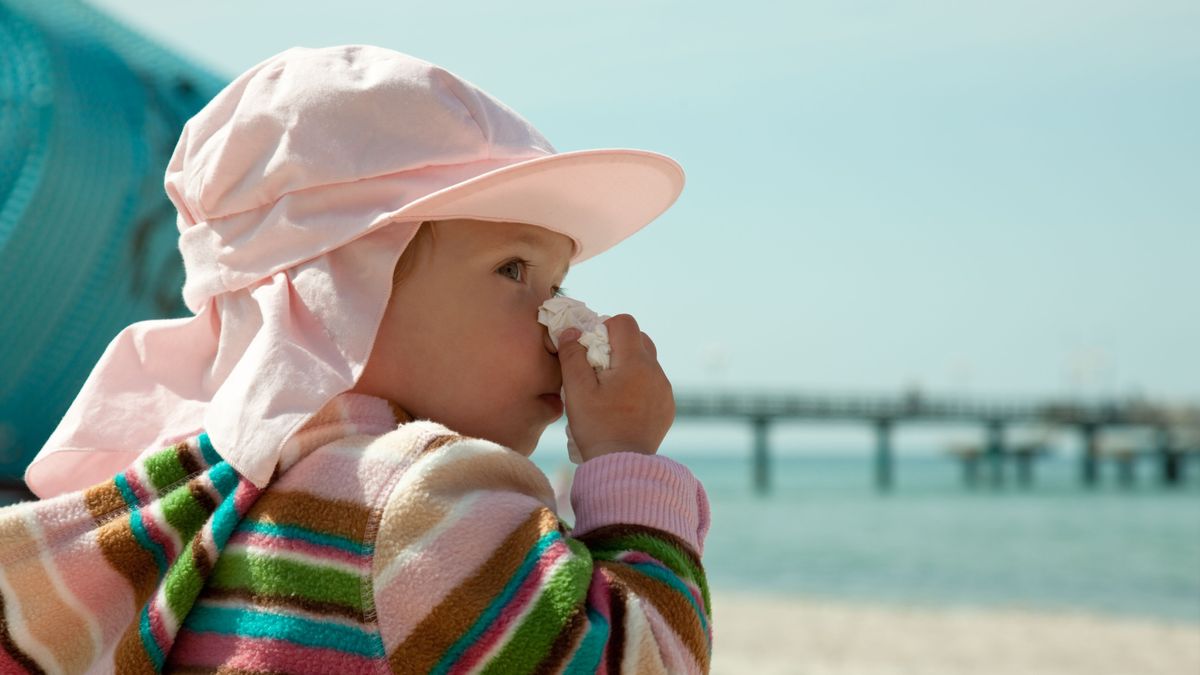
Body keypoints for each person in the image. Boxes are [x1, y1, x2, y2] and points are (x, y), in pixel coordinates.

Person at [0, 45, 712, 673]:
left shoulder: (201, 506)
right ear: (340, 290)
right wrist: (626, 462)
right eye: (515, 271)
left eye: (558, 285)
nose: (564, 324)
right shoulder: (415, 502)